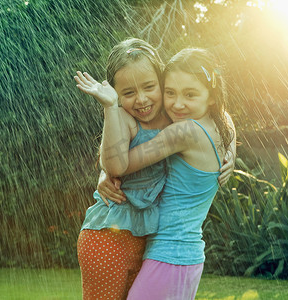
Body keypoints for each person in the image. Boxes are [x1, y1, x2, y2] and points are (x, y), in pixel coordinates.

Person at [80, 47, 235, 299]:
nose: (178, 103)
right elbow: (226, 118)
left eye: (190, 94)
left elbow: (118, 165)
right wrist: (232, 148)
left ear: (211, 97)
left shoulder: (183, 131)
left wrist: (107, 171)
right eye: (170, 92)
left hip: (171, 254)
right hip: (180, 254)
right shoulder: (213, 123)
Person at [74, 38, 170, 300]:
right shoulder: (125, 118)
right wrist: (110, 107)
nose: (141, 99)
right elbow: (114, 162)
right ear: (115, 93)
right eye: (128, 94)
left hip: (152, 240)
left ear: (163, 82)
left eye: (150, 87)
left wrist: (229, 149)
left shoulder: (176, 114)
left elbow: (215, 114)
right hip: (108, 237)